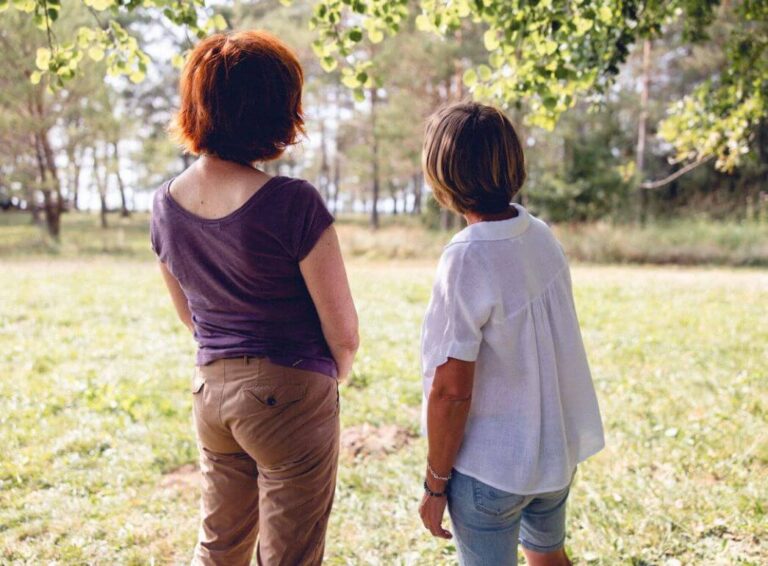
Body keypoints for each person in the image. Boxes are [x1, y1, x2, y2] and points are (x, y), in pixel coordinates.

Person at [150, 30, 358, 566]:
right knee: (290, 555)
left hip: (211, 389)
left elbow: (190, 317)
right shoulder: (293, 202)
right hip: (289, 390)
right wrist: (328, 379)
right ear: (275, 110)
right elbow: (345, 333)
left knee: (219, 548)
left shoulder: (165, 205)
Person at [417, 102, 605, 566]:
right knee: (549, 558)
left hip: (491, 469)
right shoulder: (540, 236)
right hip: (552, 457)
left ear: (442, 172)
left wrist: (434, 484)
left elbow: (451, 391)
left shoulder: (465, 258)